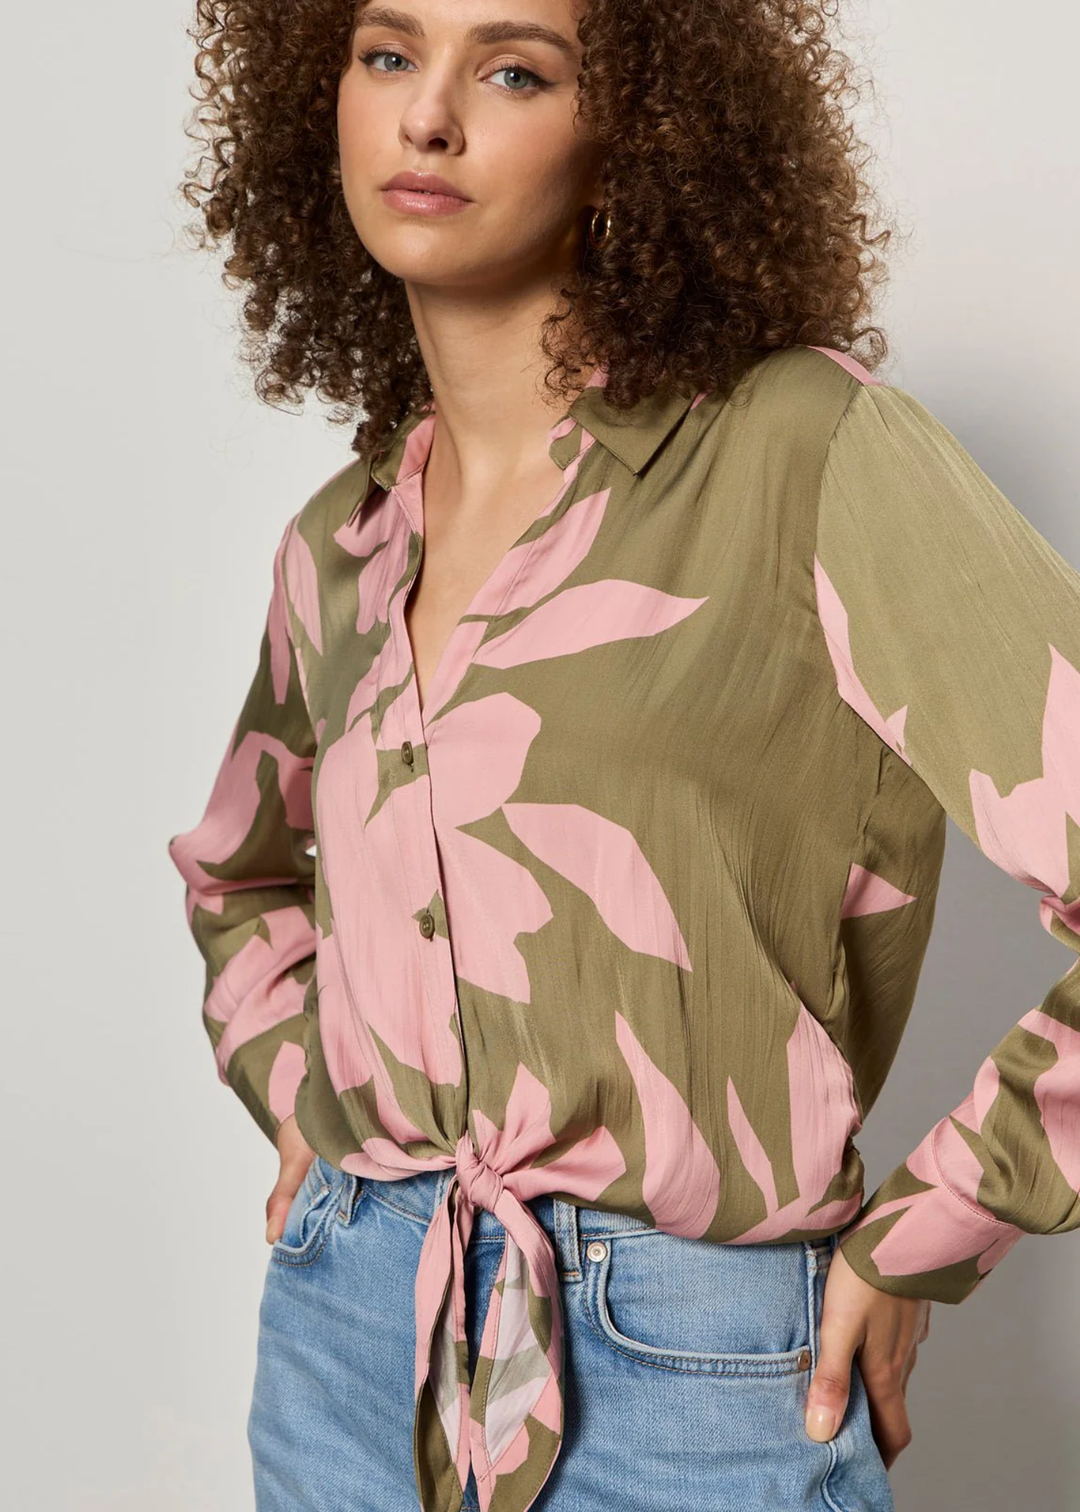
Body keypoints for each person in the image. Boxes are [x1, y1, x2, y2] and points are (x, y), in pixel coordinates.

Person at [166, 1, 1080, 1509]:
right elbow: (239, 874)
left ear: (635, 133)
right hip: (349, 1354)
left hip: (688, 1385)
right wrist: (321, 1117)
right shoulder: (341, 542)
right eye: (388, 55)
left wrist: (934, 1222)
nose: (431, 116)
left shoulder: (802, 451)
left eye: (514, 70)